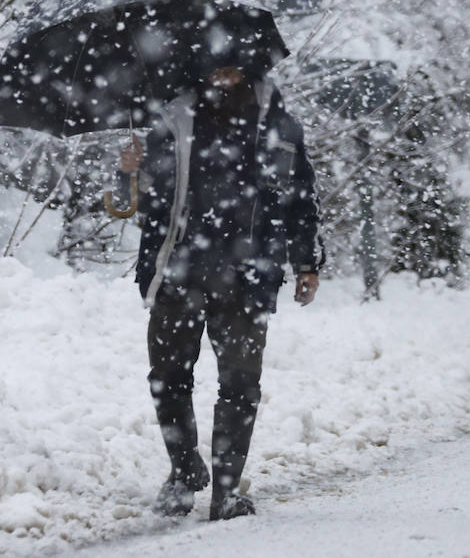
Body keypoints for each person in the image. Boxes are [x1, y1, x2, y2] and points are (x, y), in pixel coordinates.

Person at [120, 62, 322, 521]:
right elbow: (146, 205)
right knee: (168, 378)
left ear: (251, 68)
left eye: (233, 67)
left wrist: (307, 261)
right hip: (178, 272)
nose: (223, 76)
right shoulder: (174, 121)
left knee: (240, 385)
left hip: (248, 277)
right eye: (215, 67)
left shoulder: (279, 126)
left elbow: (300, 198)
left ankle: (226, 492)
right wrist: (131, 172)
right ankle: (183, 471)